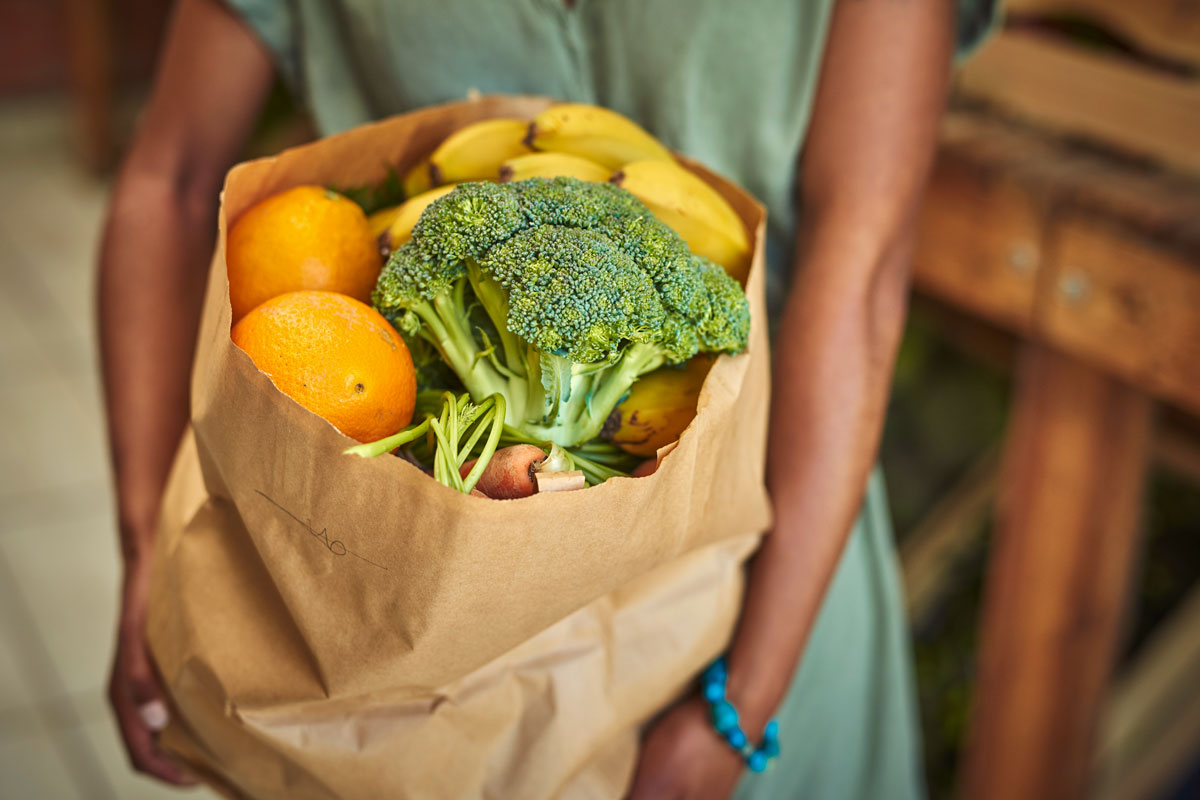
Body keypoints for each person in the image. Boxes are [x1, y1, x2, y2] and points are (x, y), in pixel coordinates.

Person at [99, 1, 995, 797]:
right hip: (398, 591)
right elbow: (170, 181)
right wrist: (149, 541)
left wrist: (743, 705)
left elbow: (864, 268)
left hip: (768, 552)